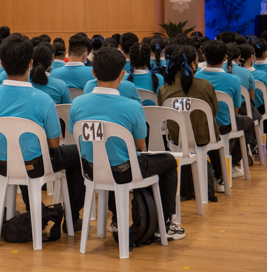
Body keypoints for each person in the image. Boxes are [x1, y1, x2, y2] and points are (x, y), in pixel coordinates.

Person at [69, 46, 185, 240]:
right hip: (124, 171)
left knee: (114, 158)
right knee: (167, 162)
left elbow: (77, 136)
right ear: (122, 74)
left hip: (91, 169)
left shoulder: (78, 104)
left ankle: (116, 219)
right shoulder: (132, 106)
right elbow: (140, 145)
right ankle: (163, 224)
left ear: (93, 72)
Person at [0, 34, 82, 228]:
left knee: (21, 153)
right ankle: (73, 217)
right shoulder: (43, 99)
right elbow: (54, 144)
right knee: (79, 154)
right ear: (30, 63)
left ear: (2, 65)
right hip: (35, 165)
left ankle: (36, 209)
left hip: (2, 164)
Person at [158, 45, 224, 194]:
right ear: (193, 65)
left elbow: (163, 116)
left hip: (176, 139)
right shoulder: (205, 86)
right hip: (203, 137)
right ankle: (220, 178)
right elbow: (213, 112)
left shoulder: (164, 89)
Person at [195, 40, 254, 180]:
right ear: (224, 59)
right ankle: (233, 164)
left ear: (204, 57)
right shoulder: (233, 79)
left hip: (200, 126)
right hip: (224, 126)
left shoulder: (195, 76)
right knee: (249, 123)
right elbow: (234, 111)